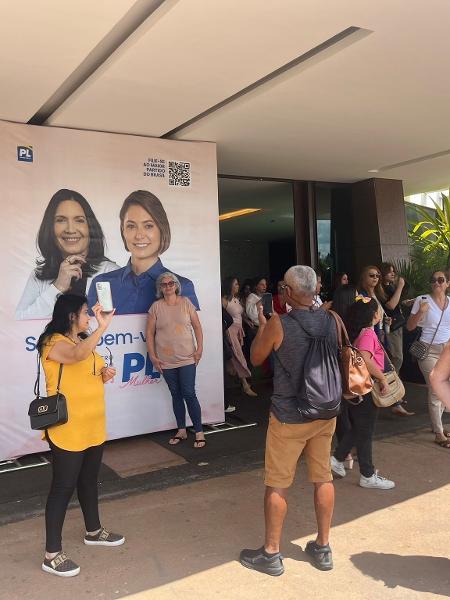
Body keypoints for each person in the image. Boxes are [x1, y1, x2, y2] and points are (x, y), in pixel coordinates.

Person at [239, 266, 339, 576]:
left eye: (284, 287)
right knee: (323, 477)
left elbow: (256, 359)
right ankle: (323, 547)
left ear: (289, 293)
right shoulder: (331, 320)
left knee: (278, 484)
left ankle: (271, 553)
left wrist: (262, 325)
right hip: (325, 411)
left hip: (289, 417)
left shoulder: (279, 324)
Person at [36, 294, 124, 577]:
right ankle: (51, 554)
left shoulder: (83, 339)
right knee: (62, 488)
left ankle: (94, 531)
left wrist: (104, 373)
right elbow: (76, 357)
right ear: (72, 315)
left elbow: (90, 367)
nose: (89, 316)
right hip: (67, 428)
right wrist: (102, 327)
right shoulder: (52, 342)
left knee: (88, 481)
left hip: (93, 424)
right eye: (86, 312)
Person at [88, 190, 199, 315]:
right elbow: (89, 332)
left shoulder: (183, 286)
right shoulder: (101, 283)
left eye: (148, 226)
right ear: (123, 231)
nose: (139, 235)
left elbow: (190, 332)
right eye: (131, 226)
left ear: (162, 230)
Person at [16, 189, 119, 320]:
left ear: (90, 227)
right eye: (61, 220)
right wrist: (57, 287)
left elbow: (120, 327)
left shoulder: (112, 273)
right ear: (50, 228)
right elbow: (20, 323)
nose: (70, 229)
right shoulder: (39, 275)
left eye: (79, 220)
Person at [331, 297, 395, 489]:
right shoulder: (368, 334)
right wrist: (382, 378)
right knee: (364, 431)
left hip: (358, 387)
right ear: (374, 315)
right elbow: (366, 359)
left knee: (360, 428)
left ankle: (338, 459)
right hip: (367, 387)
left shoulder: (359, 333)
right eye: (379, 311)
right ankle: (366, 475)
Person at [146, 272, 206, 448]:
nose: (168, 286)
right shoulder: (155, 307)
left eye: (171, 283)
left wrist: (200, 348)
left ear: (176, 285)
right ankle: (181, 430)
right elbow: (149, 333)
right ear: (160, 288)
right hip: (165, 360)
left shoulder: (186, 302)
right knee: (176, 394)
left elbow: (197, 326)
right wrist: (152, 355)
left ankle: (199, 431)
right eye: (164, 284)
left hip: (187, 357)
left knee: (189, 393)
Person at [407, 270, 450, 447]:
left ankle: (436, 424)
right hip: (427, 350)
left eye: (441, 280)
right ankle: (439, 433)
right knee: (435, 389)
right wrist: (420, 313)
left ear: (447, 283)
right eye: (433, 280)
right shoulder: (422, 300)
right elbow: (410, 327)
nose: (436, 283)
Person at [380, 262, 414, 417]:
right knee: (396, 360)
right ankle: (394, 396)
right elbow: (391, 305)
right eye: (389, 272)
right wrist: (400, 286)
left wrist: (407, 302)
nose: (393, 274)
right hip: (391, 329)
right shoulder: (381, 289)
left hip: (398, 326)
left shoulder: (389, 286)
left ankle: (397, 394)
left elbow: (395, 304)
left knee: (397, 360)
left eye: (394, 272)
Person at [222, 277, 257, 397]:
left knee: (235, 356)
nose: (238, 286)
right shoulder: (224, 300)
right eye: (236, 284)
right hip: (230, 332)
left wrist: (247, 321)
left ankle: (238, 379)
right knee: (238, 356)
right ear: (230, 286)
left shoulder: (236, 299)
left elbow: (241, 314)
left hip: (239, 331)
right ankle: (245, 384)